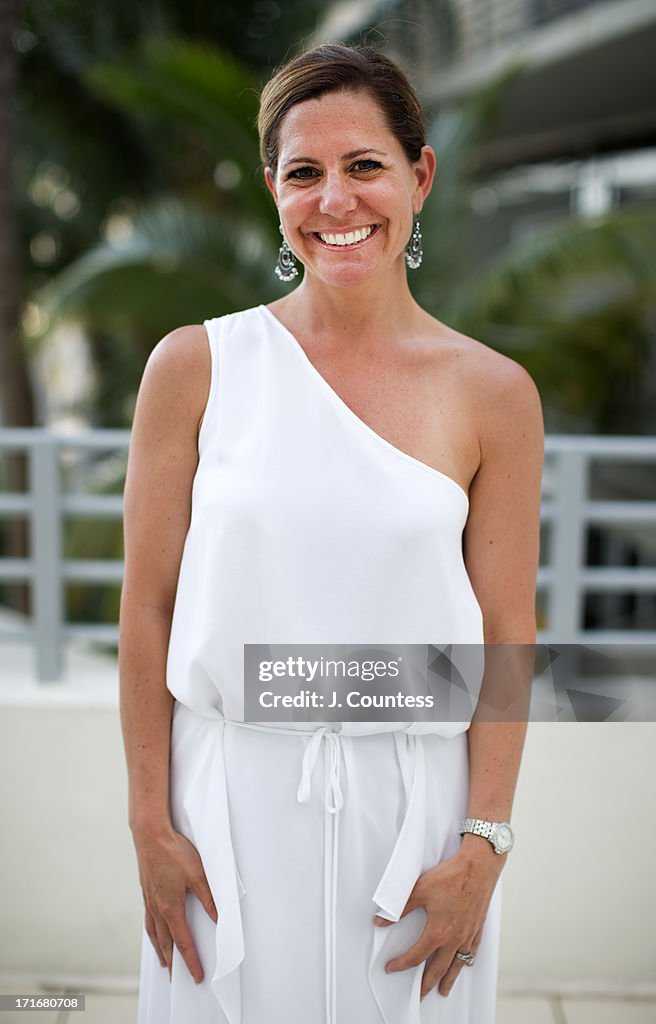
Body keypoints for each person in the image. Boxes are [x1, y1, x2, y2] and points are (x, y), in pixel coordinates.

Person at [120, 42, 544, 1024]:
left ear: (418, 176)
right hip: (222, 798)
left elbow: (503, 628)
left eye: (364, 166)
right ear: (272, 189)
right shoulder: (194, 367)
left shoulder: (492, 393)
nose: (335, 199)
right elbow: (146, 606)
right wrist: (149, 818)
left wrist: (482, 844)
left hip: (416, 806)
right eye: (303, 172)